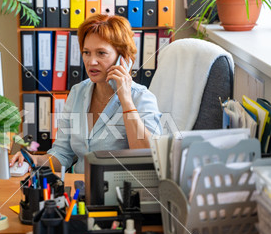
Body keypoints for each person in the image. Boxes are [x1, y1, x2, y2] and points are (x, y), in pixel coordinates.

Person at [10, 14, 161, 173]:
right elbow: (62, 154)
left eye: (101, 53)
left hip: (119, 192)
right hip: (78, 190)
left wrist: (125, 100)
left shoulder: (141, 97)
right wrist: (34, 159)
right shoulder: (77, 92)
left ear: (123, 58)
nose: (91, 61)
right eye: (86, 52)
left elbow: (148, 158)